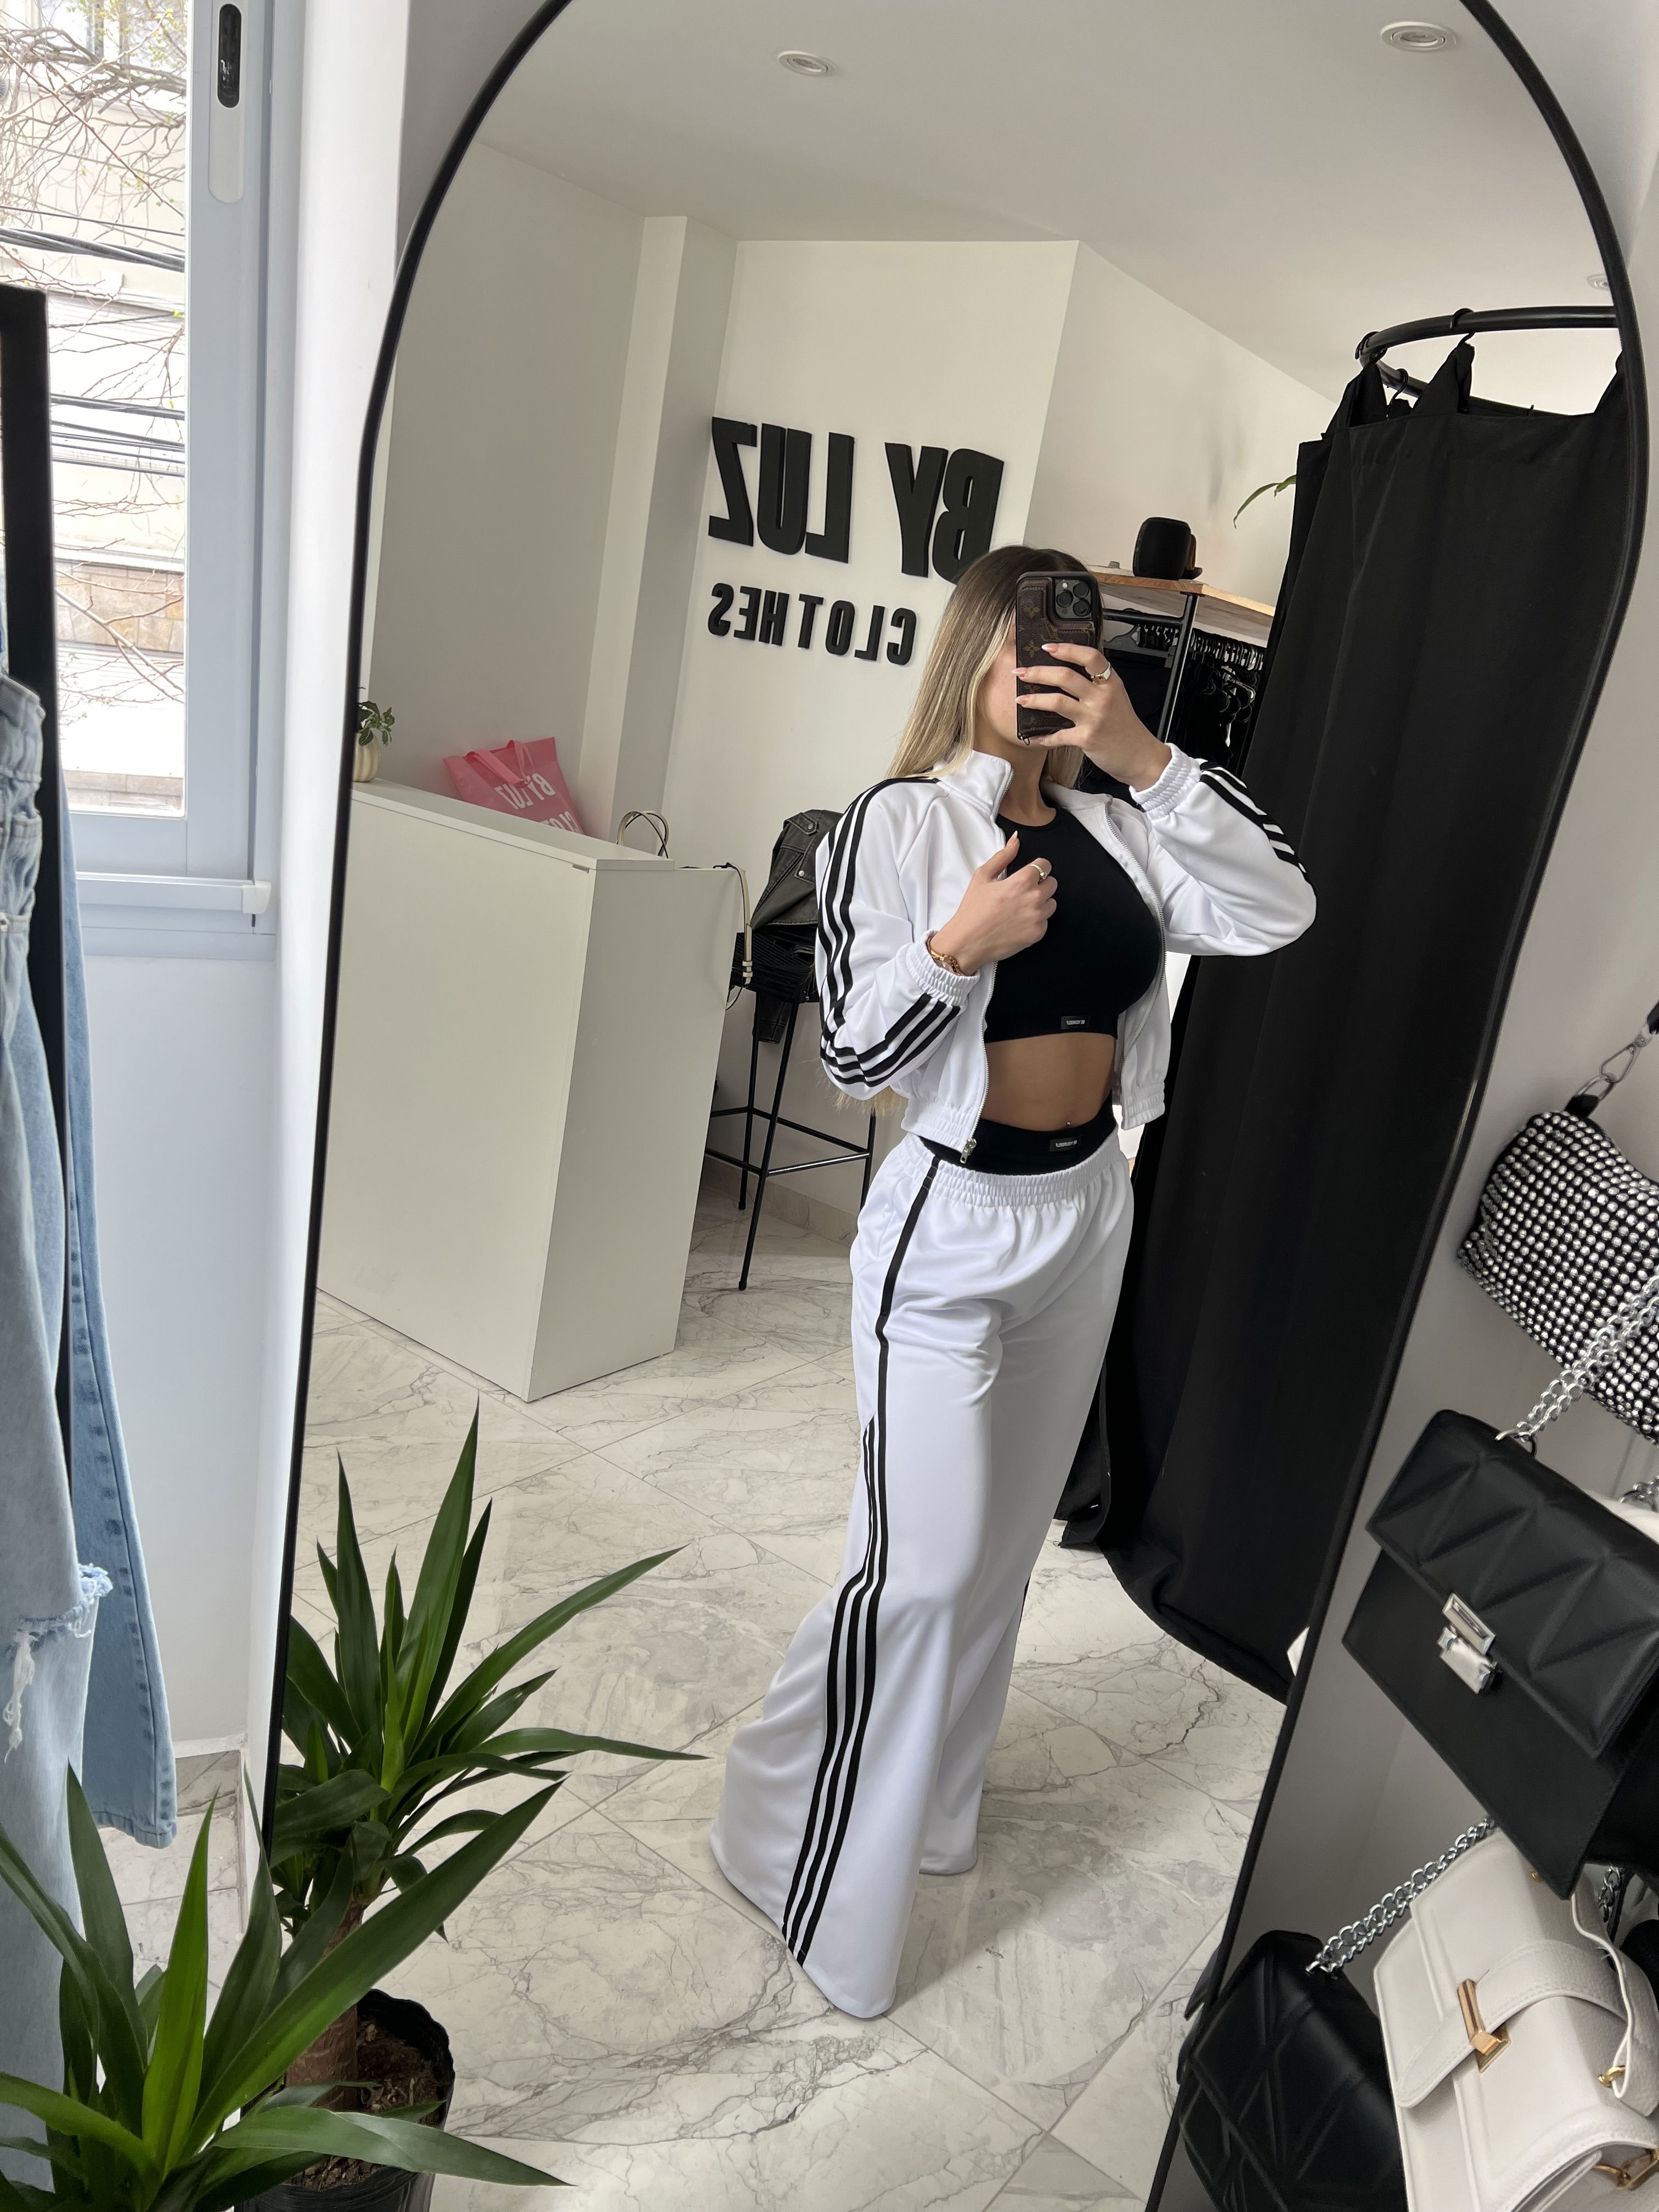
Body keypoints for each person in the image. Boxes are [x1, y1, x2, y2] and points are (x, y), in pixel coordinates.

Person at [709, 543, 1314, 2018]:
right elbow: (855, 1056)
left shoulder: (1120, 824)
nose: (1050, 670)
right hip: (952, 1225)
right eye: (1027, 645)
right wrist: (954, 948)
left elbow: (1280, 906)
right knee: (912, 1572)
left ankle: (928, 1810)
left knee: (991, 1561)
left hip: (1085, 1211)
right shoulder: (902, 821)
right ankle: (782, 1837)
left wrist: (1144, 754)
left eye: (1076, 648)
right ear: (975, 651)